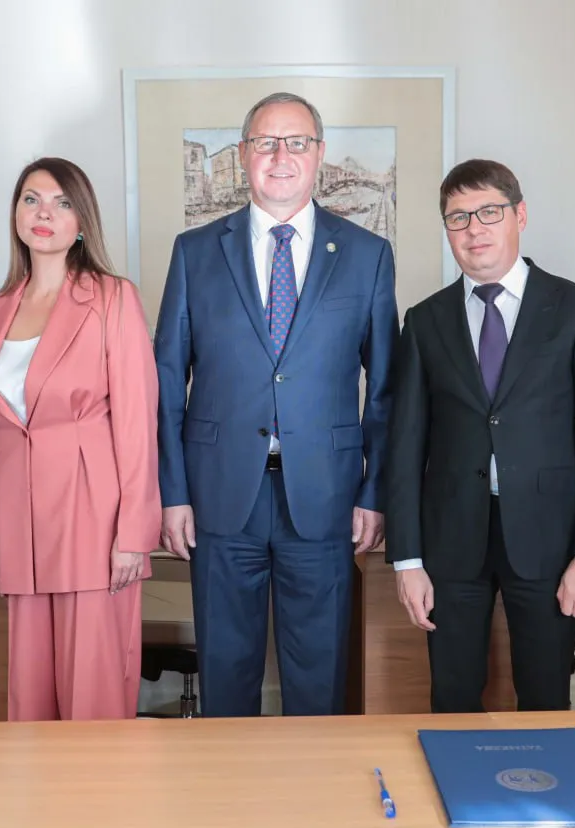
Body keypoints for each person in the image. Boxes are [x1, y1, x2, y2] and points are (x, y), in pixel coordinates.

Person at [155, 92, 398, 717]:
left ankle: (313, 784)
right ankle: (229, 783)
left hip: (326, 496)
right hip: (218, 496)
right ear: (244, 154)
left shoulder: (367, 255)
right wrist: (173, 493)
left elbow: (385, 390)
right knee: (225, 675)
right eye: (265, 143)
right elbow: (166, 381)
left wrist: (374, 492)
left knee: (319, 679)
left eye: (296, 142)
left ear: (319, 153)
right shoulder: (194, 252)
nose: (280, 156)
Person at [384, 159, 575, 713]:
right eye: (458, 218)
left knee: (544, 694)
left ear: (520, 215)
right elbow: (405, 447)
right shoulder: (424, 320)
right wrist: (407, 560)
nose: (474, 229)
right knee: (451, 696)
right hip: (450, 542)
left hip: (549, 539)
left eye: (489, 212)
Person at [0, 157, 160, 721]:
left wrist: (134, 533)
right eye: (31, 199)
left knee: (92, 689)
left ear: (82, 221)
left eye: (62, 202)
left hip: (92, 514)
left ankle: (99, 785)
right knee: (29, 694)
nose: (44, 213)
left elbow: (136, 419)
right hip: (19, 518)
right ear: (16, 214)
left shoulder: (112, 297)